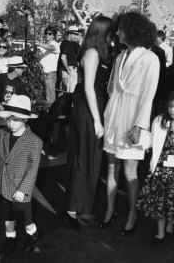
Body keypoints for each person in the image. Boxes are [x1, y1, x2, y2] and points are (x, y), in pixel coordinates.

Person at [101, 12, 160, 236]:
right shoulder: (119, 57)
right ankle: (109, 210)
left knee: (130, 171)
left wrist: (139, 125)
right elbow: (114, 90)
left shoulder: (150, 58)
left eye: (121, 28)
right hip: (114, 117)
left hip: (133, 120)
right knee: (111, 167)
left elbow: (148, 95)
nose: (117, 32)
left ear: (132, 29)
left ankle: (132, 214)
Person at [63, 16, 115, 230]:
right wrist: (97, 120)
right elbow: (88, 88)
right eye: (111, 32)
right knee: (83, 159)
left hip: (94, 107)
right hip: (89, 110)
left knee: (91, 160)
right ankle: (72, 210)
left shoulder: (98, 52)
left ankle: (83, 207)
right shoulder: (92, 53)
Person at [0, 94, 43, 256]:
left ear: (25, 120)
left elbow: (33, 168)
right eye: (8, 119)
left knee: (26, 220)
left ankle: (34, 234)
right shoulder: (4, 134)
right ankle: (11, 239)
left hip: (20, 191)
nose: (9, 123)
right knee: (7, 217)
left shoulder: (34, 141)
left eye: (14, 119)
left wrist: (23, 189)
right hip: (3, 185)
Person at [136, 89, 174, 247]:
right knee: (159, 203)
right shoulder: (160, 121)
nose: (172, 109)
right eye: (170, 106)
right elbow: (150, 140)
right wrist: (138, 138)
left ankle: (169, 228)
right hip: (161, 171)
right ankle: (160, 233)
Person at [37, 25, 61, 108]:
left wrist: (40, 44)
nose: (47, 35)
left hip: (50, 74)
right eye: (46, 33)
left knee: (50, 97)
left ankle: (51, 114)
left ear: (54, 35)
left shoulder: (56, 44)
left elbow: (51, 47)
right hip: (41, 73)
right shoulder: (43, 45)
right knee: (41, 95)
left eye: (50, 34)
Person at [58, 25, 81, 93]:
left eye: (77, 35)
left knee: (67, 94)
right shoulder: (67, 43)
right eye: (75, 34)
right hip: (70, 71)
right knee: (71, 94)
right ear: (69, 34)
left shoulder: (70, 44)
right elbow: (63, 57)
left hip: (69, 71)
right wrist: (68, 70)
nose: (76, 37)